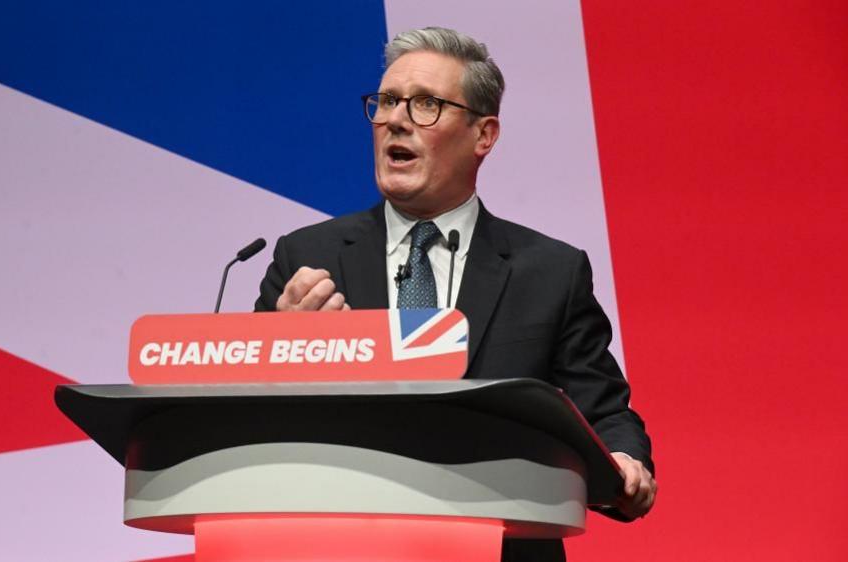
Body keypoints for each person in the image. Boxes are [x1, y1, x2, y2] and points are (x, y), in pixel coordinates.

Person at [255, 27, 655, 561]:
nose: (395, 119)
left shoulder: (550, 272)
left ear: (483, 135)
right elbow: (247, 413)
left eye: (425, 104)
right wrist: (284, 352)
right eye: (387, 102)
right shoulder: (307, 260)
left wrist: (625, 460)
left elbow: (602, 412)